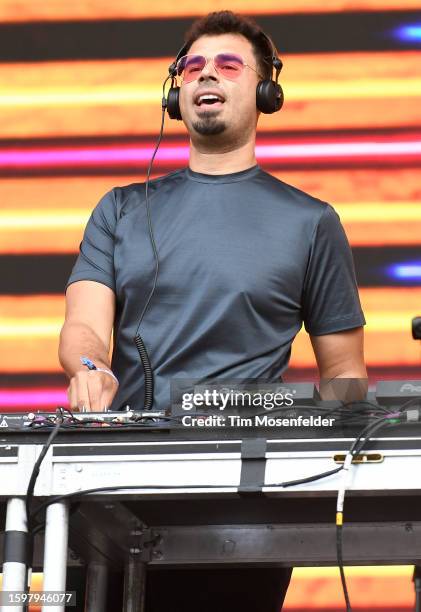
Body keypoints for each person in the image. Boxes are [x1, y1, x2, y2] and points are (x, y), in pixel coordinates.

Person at [59, 10, 367, 611]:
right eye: (193, 66)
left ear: (265, 92)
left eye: (228, 66)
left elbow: (345, 376)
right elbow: (83, 326)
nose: (207, 76)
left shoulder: (312, 222)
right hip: (121, 490)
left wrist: (319, 452)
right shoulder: (121, 209)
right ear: (176, 93)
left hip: (249, 501)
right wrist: (90, 369)